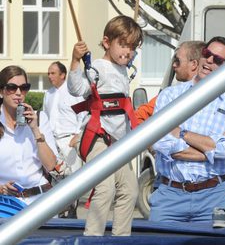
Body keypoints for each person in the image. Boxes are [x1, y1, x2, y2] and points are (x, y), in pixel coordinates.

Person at [149, 36, 225, 223]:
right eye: (207, 54)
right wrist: (210, 149)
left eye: (217, 59)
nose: (209, 60)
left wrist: (182, 133)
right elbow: (160, 142)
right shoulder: (170, 96)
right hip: (170, 196)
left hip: (215, 199)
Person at [67, 15, 143, 236]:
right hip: (98, 138)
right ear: (107, 42)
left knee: (130, 190)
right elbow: (76, 88)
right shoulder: (97, 67)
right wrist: (75, 60)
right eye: (123, 45)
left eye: (132, 47)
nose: (127, 52)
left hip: (119, 141)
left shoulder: (124, 69)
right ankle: (93, 238)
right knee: (105, 188)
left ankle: (121, 237)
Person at [0, 65, 57, 206]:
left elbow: (51, 166)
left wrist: (35, 130)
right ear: (1, 91)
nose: (18, 93)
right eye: (12, 88)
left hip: (40, 200)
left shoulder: (40, 118)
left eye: (24, 87)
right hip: (5, 204)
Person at [43, 61, 86, 218]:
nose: (49, 76)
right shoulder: (48, 94)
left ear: (63, 75)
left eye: (53, 73)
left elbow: (83, 115)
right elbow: (45, 118)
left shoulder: (74, 93)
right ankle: (59, 215)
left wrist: (77, 134)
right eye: (48, 73)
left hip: (70, 141)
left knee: (72, 180)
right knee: (55, 180)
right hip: (53, 142)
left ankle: (72, 215)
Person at [135, 41, 206, 124]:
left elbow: (138, 117)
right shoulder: (215, 95)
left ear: (193, 64)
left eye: (177, 61)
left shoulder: (172, 95)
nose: (174, 65)